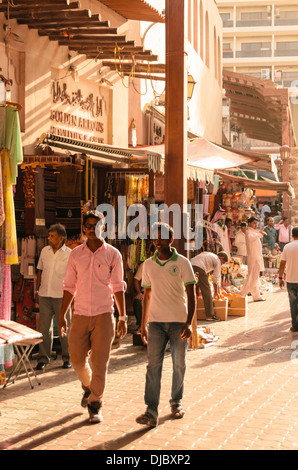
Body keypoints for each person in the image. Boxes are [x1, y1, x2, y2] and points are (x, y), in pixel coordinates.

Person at [58, 210, 127, 424]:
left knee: (100, 362)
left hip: (104, 314)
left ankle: (95, 403)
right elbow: (69, 286)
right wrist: (62, 315)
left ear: (103, 227)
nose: (90, 229)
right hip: (80, 314)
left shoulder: (113, 254)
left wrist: (123, 316)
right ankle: (89, 387)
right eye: (87, 225)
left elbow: (117, 287)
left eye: (95, 225)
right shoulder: (75, 254)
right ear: (83, 227)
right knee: (76, 359)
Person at [136, 222, 196, 428]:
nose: (157, 240)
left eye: (162, 237)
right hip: (155, 324)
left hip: (179, 322)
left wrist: (189, 323)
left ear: (171, 240)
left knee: (179, 364)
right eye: (155, 237)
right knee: (153, 367)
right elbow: (147, 295)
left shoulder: (182, 262)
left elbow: (191, 294)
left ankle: (176, 402)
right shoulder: (148, 264)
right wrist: (143, 324)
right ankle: (151, 410)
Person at [35, 224, 72, 371]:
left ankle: (67, 357)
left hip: (62, 296)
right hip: (44, 294)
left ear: (61, 238)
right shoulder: (45, 251)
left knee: (64, 328)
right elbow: (40, 271)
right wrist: (37, 290)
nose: (49, 239)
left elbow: (74, 276)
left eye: (52, 236)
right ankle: (43, 358)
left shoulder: (70, 254)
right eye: (49, 236)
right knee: (44, 329)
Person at [191, 250, 229, 321]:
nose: (222, 264)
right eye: (223, 262)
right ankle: (210, 315)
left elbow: (206, 273)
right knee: (207, 291)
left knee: (189, 289)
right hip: (199, 267)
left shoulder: (210, 255)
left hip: (190, 265)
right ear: (221, 258)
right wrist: (216, 292)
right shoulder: (217, 261)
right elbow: (216, 278)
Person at [240, 217, 266, 302]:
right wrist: (260, 234)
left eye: (256, 223)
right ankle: (242, 294)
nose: (256, 225)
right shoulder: (249, 232)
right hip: (253, 258)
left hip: (256, 258)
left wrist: (259, 233)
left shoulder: (253, 232)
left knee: (255, 277)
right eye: (254, 223)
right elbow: (251, 238)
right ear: (250, 223)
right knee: (252, 277)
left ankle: (256, 296)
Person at [279, 227, 298, 332]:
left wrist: (280, 277)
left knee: (293, 303)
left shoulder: (287, 247)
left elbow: (282, 264)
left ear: (292, 235)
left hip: (290, 279)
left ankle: (295, 325)